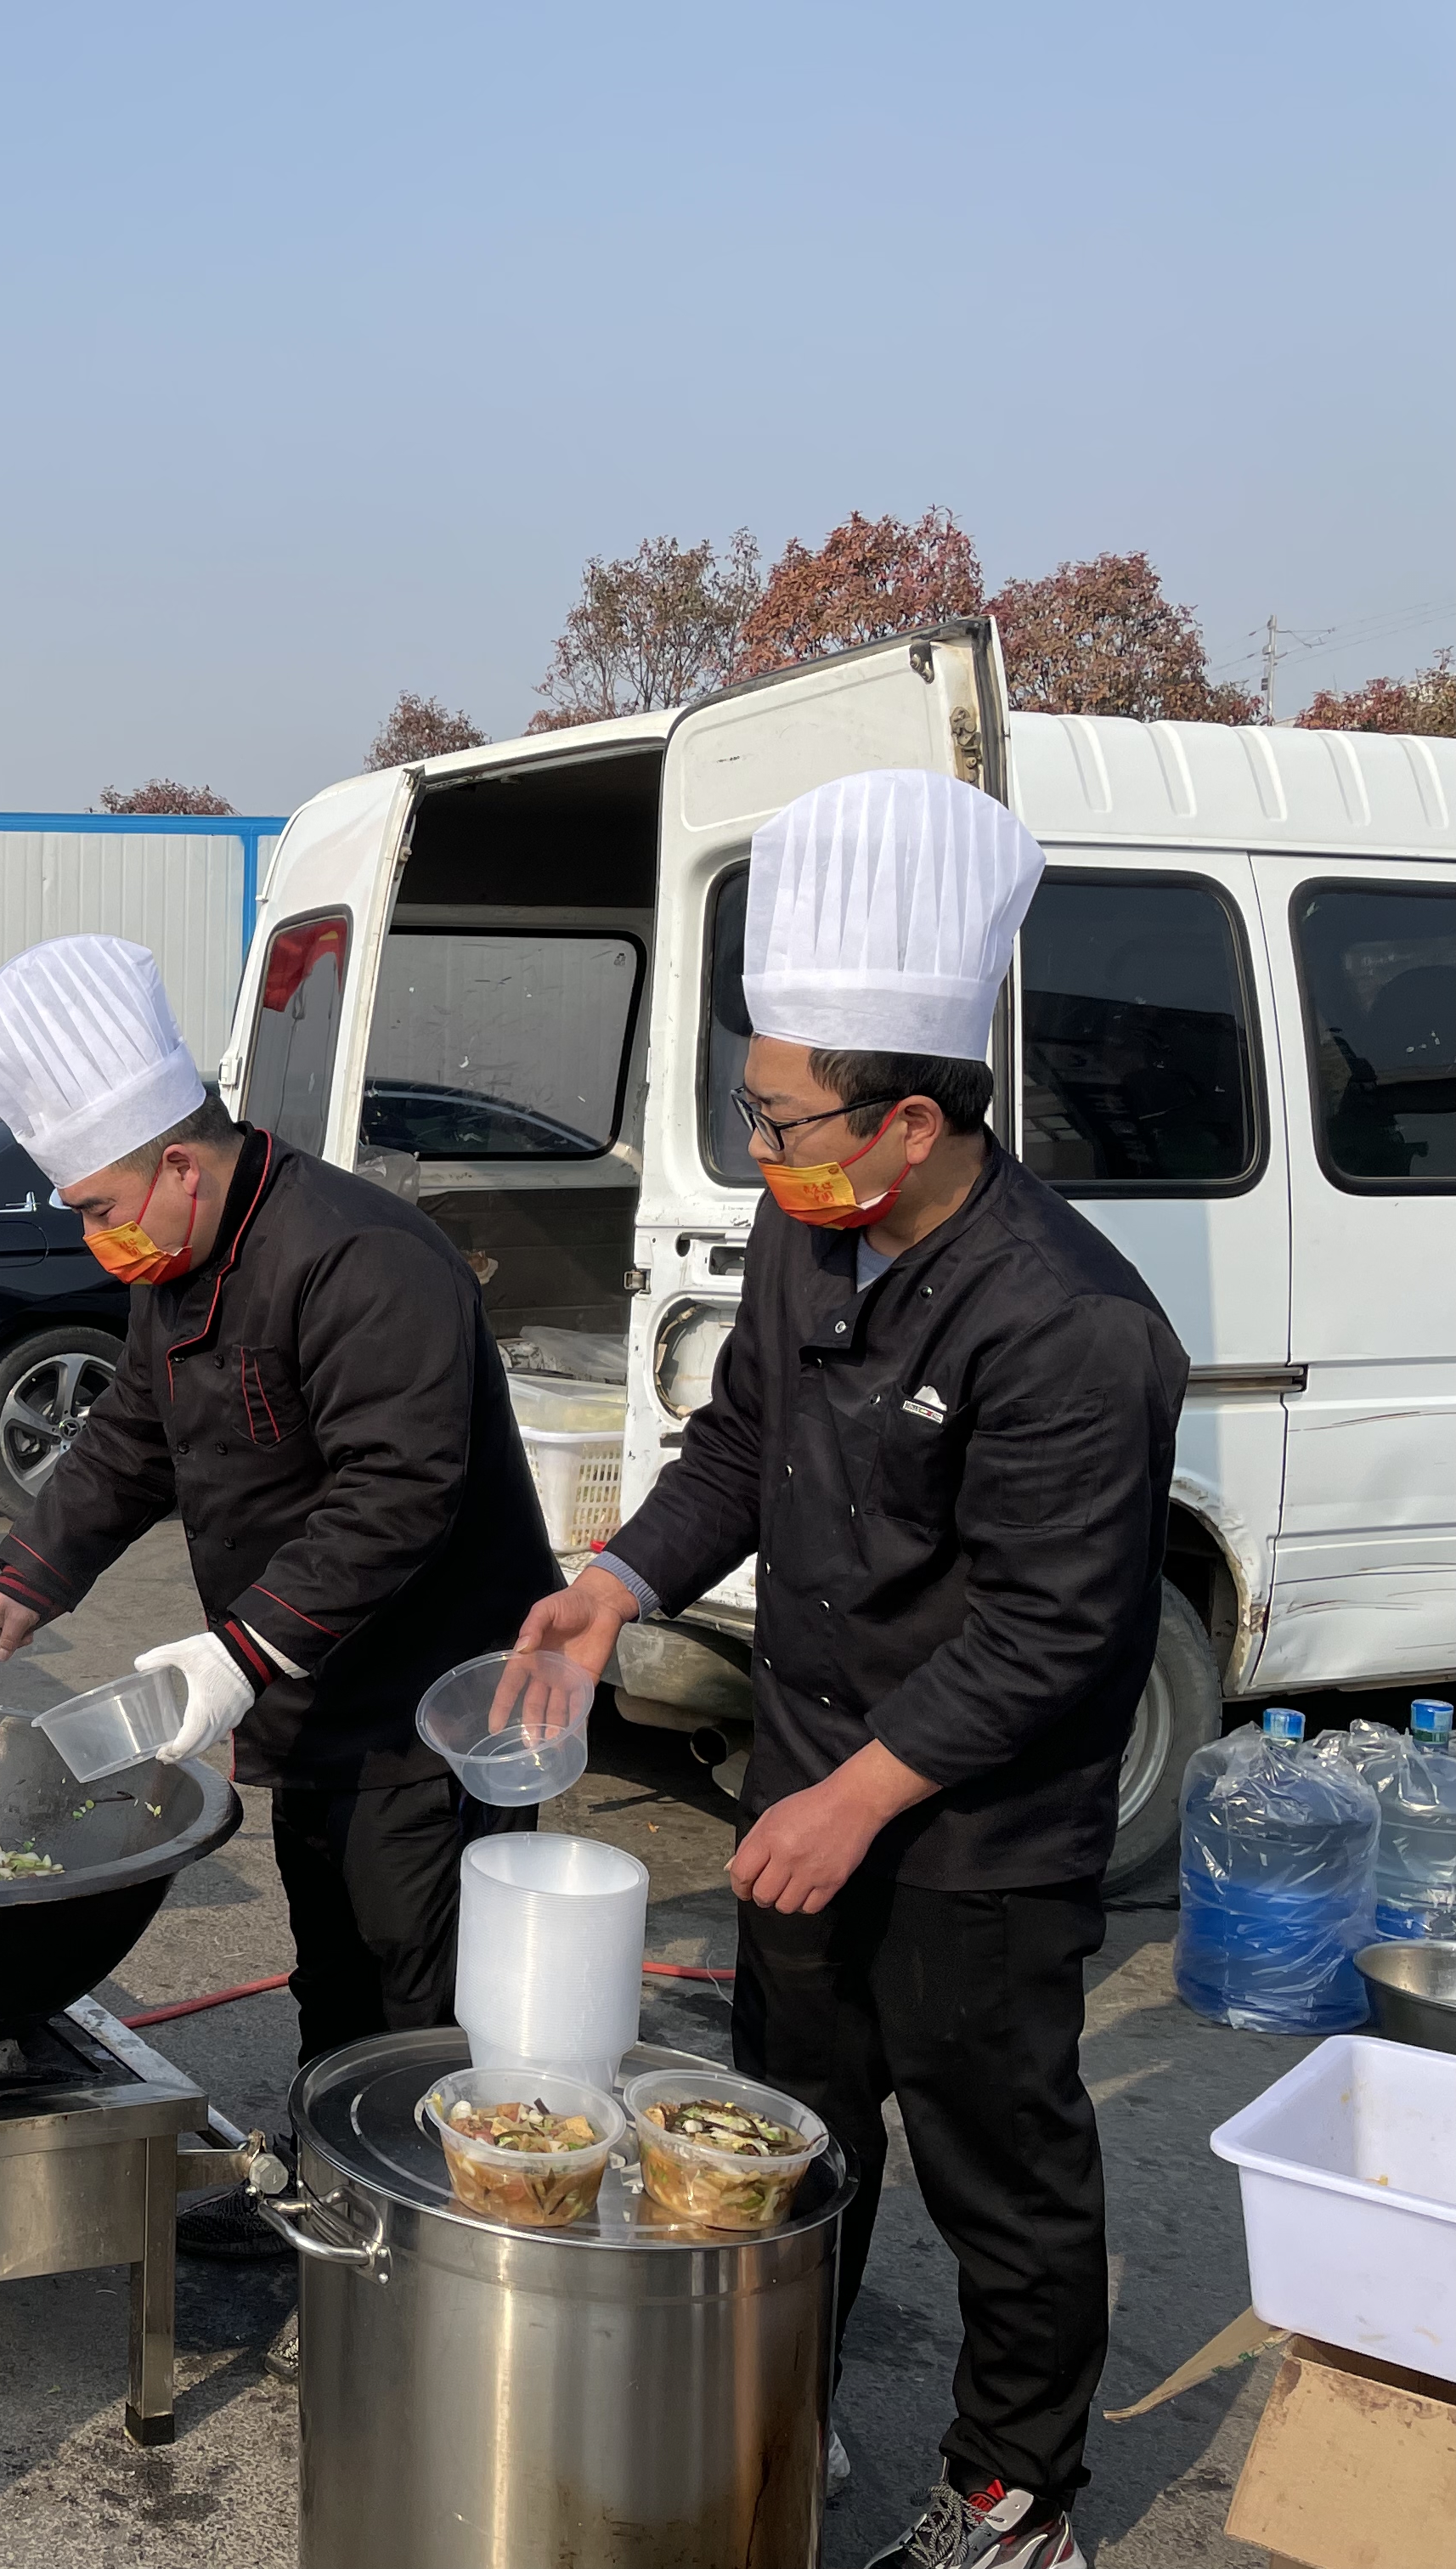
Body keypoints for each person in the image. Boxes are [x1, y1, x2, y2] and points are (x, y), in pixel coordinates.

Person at [517, 772, 1183, 2569]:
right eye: (752, 1112)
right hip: (808, 1778)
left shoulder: (1069, 1320)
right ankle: (772, 2423)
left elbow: (1058, 1631)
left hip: (972, 1829)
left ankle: (1014, 2493)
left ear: (907, 1121)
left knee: (1004, 2170)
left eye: (783, 1118)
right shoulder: (813, 1231)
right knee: (785, 2151)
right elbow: (744, 1442)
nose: (761, 1154)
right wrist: (618, 1581)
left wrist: (868, 1793)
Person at [0, 934, 558, 2255]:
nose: (99, 1238)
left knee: (422, 1979)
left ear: (179, 1162)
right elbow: (132, 1441)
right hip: (311, 1685)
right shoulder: (176, 1270)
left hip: (433, 1694)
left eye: (104, 1205)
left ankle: (432, 2252)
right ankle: (341, 2192)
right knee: (333, 1959)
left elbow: (399, 1493)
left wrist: (242, 1649)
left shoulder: (360, 1260)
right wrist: (29, 1581)